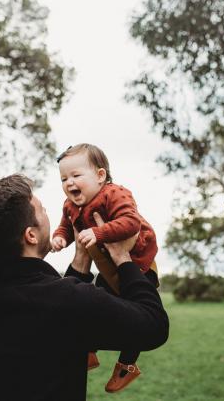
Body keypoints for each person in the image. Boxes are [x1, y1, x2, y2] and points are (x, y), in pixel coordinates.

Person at [0, 174, 168, 401]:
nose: (49, 215)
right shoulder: (67, 301)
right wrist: (123, 257)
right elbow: (153, 326)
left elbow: (53, 312)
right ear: (31, 235)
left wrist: (80, 259)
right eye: (43, 210)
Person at [51, 143, 159, 392]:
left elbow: (130, 223)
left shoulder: (115, 193)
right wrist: (59, 238)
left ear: (100, 176)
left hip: (140, 266)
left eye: (76, 176)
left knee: (137, 316)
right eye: (64, 178)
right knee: (94, 304)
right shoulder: (70, 206)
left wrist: (98, 233)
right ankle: (87, 350)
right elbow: (67, 227)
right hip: (109, 269)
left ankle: (126, 366)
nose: (69, 183)